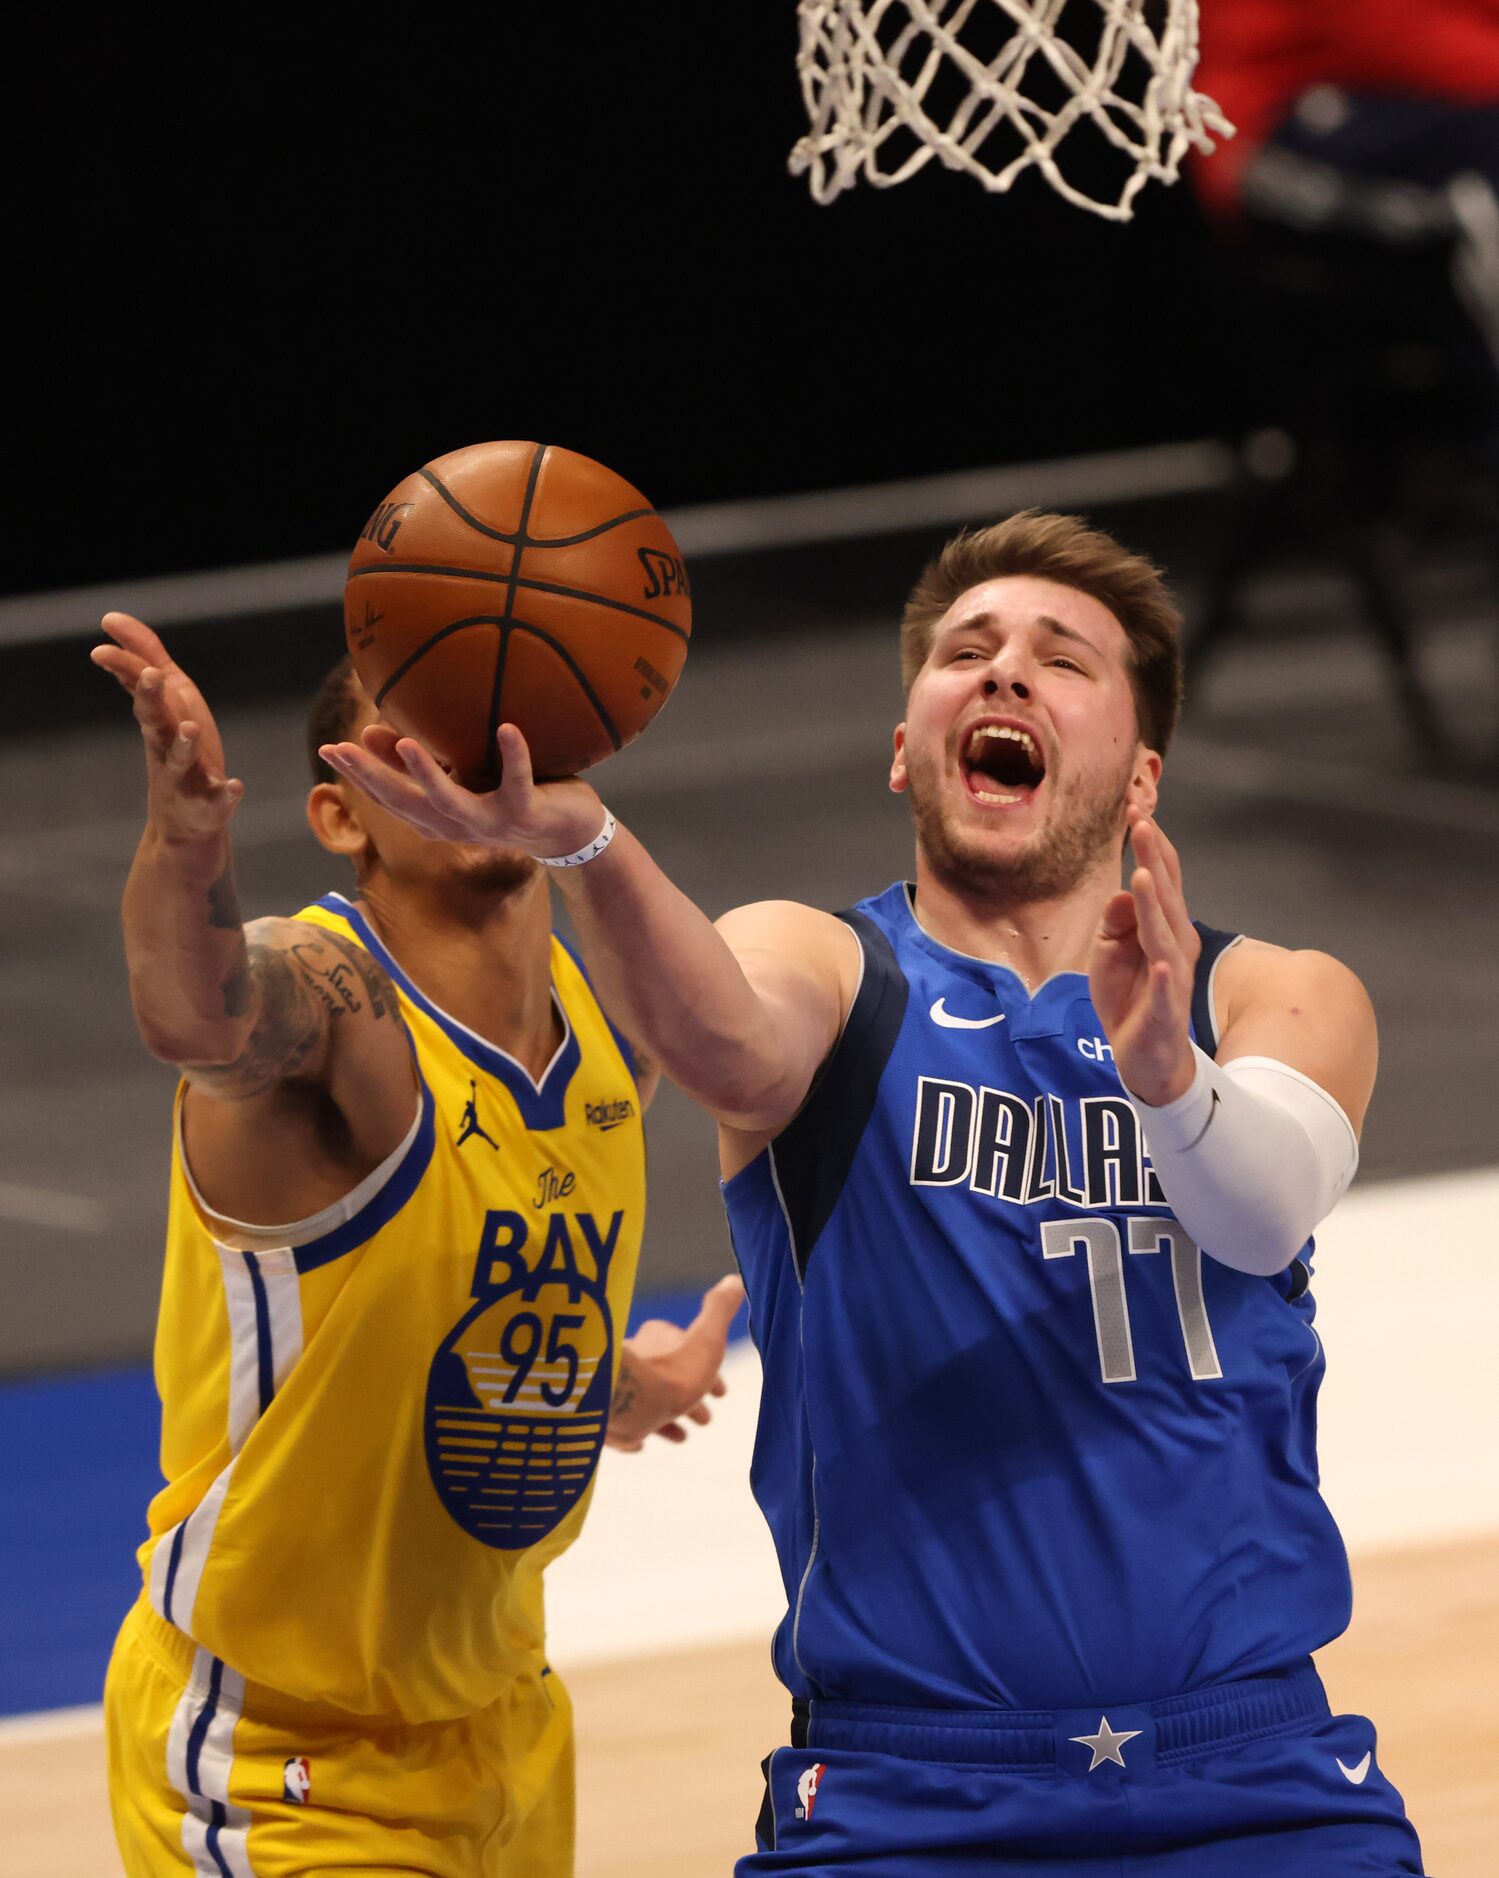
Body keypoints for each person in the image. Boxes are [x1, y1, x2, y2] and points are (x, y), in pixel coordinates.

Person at [326, 509, 1428, 1874]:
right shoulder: (826, 966)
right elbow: (719, 1041)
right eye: (966, 649)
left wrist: (1163, 1076)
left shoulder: (1267, 992)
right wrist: (588, 846)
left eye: (1059, 658)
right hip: (909, 1790)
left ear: (1139, 779)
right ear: (905, 750)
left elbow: (1261, 1209)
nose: (1004, 671)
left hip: (1254, 1770)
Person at [92, 611, 745, 1878]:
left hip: (501, 1730)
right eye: (412, 743)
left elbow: (461, 1328)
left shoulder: (608, 1042)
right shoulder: (336, 1010)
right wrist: (186, 839)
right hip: (284, 1762)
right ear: (343, 814)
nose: (459, 766)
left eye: (482, 736)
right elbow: (197, 1018)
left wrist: (618, 1384)